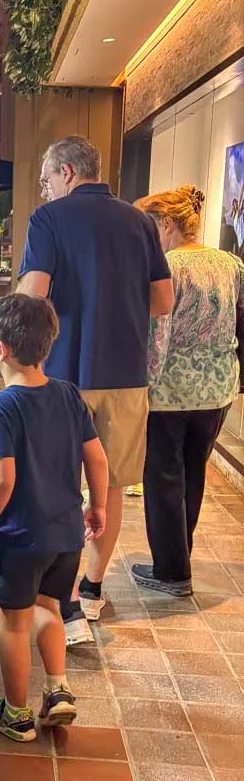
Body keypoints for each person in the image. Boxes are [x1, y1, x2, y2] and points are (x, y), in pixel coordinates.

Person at [19, 135, 173, 645]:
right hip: (127, 374)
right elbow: (164, 301)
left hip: (63, 375)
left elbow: (33, 295)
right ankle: (92, 588)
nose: (45, 191)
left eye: (45, 180)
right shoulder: (141, 222)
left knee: (60, 483)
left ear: (65, 171)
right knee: (111, 485)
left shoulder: (50, 220)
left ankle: (62, 601)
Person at [0, 294, 109, 741]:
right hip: (67, 534)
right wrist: (98, 506)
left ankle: (15, 713)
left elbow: (2, 480)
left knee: (15, 622)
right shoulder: (68, 395)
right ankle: (57, 691)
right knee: (51, 607)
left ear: (4, 350)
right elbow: (98, 461)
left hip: (22, 538)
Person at [131, 185, 244, 595]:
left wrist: (145, 383)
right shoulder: (230, 263)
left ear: (166, 224)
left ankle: (172, 572)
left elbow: (157, 332)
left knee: (162, 477)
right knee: (194, 472)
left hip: (172, 389)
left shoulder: (167, 267)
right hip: (218, 387)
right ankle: (180, 557)